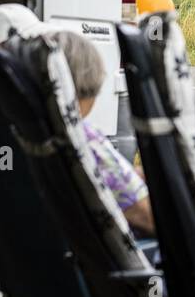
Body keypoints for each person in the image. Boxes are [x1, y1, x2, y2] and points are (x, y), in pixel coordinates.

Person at [51, 30, 156, 237]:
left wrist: (132, 174)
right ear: (92, 80)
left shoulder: (28, 130)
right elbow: (150, 218)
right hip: (102, 262)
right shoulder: (83, 140)